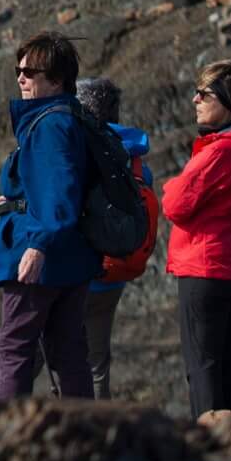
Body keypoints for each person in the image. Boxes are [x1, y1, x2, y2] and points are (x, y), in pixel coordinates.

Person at [158, 61, 231, 416]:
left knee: (204, 366)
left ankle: (209, 443)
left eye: (204, 94)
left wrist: (170, 185)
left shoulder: (219, 151)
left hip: (206, 266)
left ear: (228, 101)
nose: (195, 99)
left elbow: (175, 204)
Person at [0, 33, 100, 401]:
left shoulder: (49, 125)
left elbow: (59, 193)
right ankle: (84, 438)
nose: (21, 78)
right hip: (73, 257)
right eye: (18, 69)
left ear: (56, 79)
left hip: (43, 257)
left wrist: (37, 245)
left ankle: (3, 444)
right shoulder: (71, 118)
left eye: (30, 72)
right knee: (68, 354)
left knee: (14, 351)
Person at [74, 77, 158, 399]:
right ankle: (99, 427)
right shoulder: (133, 158)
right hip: (114, 274)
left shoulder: (83, 152)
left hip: (78, 275)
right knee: (97, 363)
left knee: (31, 359)